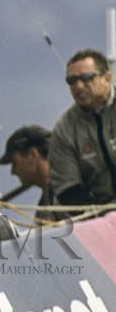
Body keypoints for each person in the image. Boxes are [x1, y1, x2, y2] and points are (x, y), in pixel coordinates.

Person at [47, 49, 116, 213]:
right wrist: (102, 219)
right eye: (72, 81)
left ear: (107, 78)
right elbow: (68, 189)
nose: (78, 86)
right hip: (100, 219)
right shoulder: (64, 130)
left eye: (86, 78)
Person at [0, 124, 55, 220]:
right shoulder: (48, 200)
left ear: (32, 155)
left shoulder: (65, 190)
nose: (12, 172)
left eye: (14, 163)